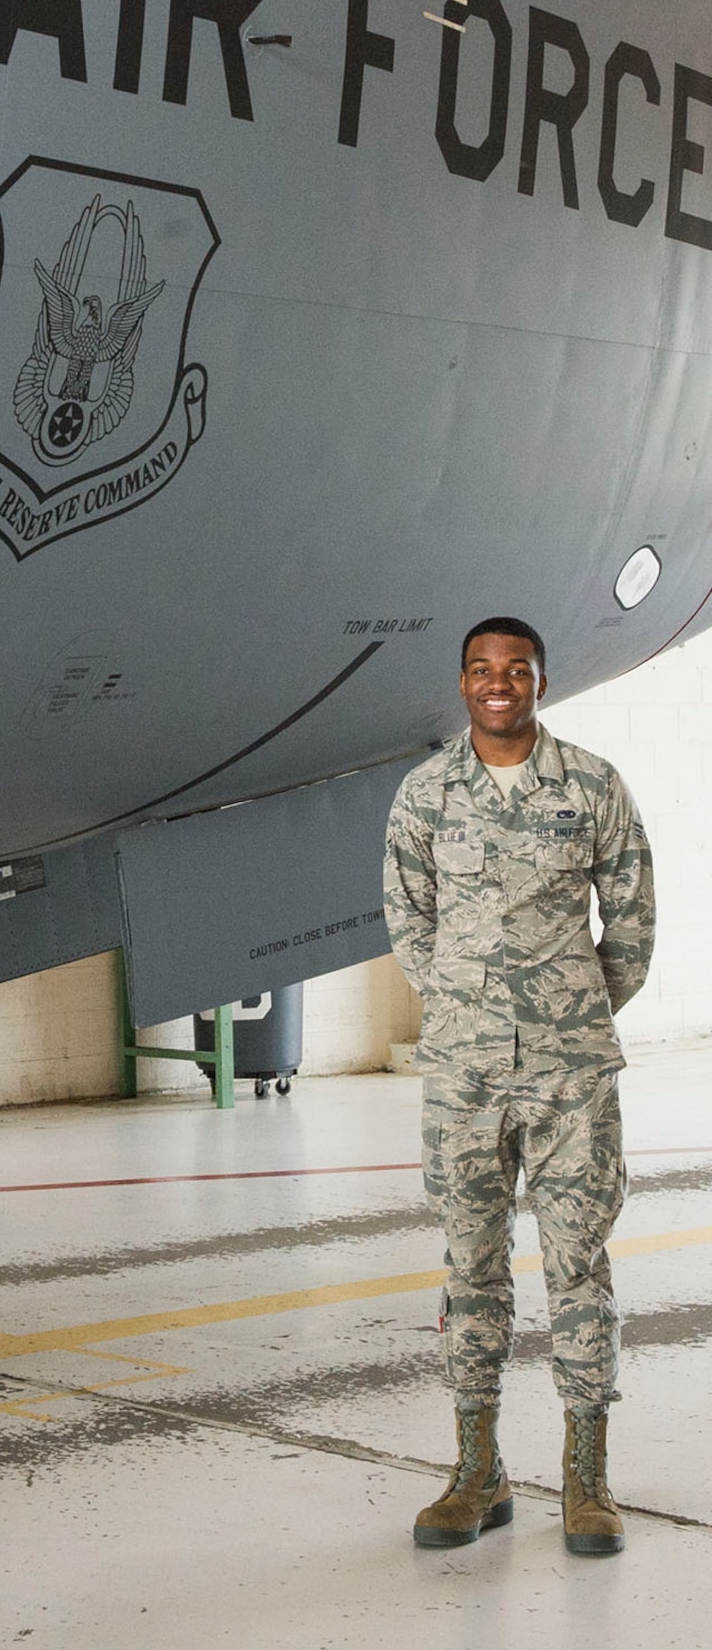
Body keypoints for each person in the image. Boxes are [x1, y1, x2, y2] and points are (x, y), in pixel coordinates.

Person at [383, 617, 654, 1556]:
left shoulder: (590, 788)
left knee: (578, 1265)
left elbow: (630, 921)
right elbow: (407, 920)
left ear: (540, 681)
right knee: (470, 1266)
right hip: (462, 1075)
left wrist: (569, 1011)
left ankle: (587, 1482)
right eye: (480, 671)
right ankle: (477, 1472)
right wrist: (465, 1006)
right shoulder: (423, 795)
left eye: (515, 671)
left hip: (570, 1072)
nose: (497, 684)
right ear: (461, 684)